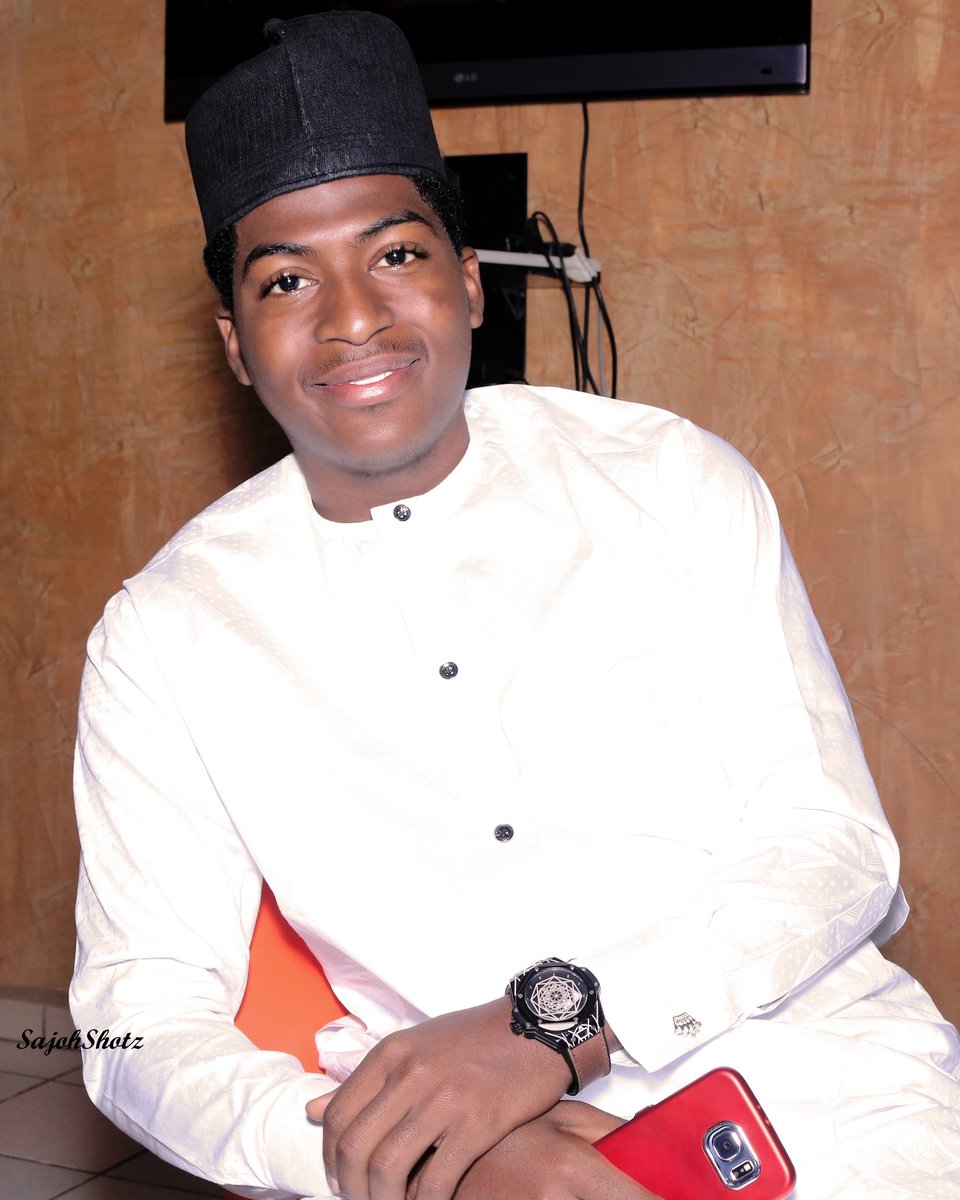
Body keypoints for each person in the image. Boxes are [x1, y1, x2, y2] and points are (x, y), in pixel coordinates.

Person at [70, 11, 960, 1200]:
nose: (353, 318)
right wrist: (416, 1152)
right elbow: (128, 1020)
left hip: (821, 1085)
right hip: (450, 1138)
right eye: (287, 279)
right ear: (236, 344)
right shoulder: (164, 632)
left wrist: (553, 1028)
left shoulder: (669, 481)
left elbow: (836, 848)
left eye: (397, 255)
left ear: (471, 285)